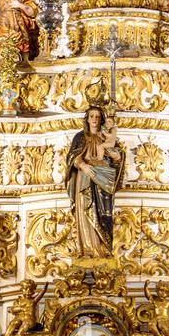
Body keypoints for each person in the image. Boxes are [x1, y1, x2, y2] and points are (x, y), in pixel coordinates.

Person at [65, 106, 124, 257]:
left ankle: (102, 248)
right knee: (85, 208)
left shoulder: (105, 136)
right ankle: (88, 248)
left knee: (103, 211)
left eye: (97, 116)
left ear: (102, 119)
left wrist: (116, 156)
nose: (95, 119)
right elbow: (71, 157)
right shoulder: (80, 137)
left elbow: (116, 158)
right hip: (84, 177)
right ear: (87, 118)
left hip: (102, 179)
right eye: (92, 116)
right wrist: (82, 165)